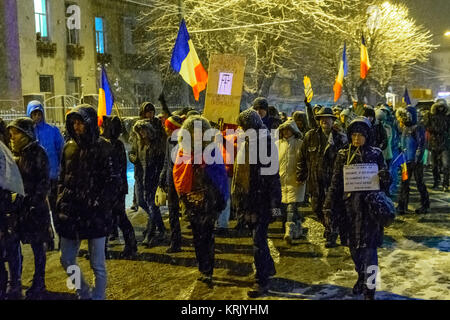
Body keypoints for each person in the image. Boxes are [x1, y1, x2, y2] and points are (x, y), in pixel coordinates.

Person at [324, 117, 391, 300]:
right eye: (353, 135)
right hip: (349, 211)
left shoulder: (376, 154)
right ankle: (361, 276)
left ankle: (370, 289)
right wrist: (329, 205)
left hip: (370, 211)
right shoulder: (343, 155)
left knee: (370, 252)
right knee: (354, 250)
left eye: (360, 135)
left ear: (367, 136)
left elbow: (385, 184)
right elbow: (335, 182)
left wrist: (385, 177)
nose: (356, 139)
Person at [56, 105, 118, 300]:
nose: (76, 127)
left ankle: (98, 297)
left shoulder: (105, 147)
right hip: (72, 212)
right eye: (73, 123)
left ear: (89, 123)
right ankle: (83, 292)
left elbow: (113, 183)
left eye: (80, 122)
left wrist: (99, 202)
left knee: (97, 264)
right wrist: (61, 198)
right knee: (66, 259)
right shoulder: (69, 147)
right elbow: (62, 177)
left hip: (95, 214)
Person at [173, 116, 229, 286]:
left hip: (208, 201)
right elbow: (178, 175)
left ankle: (208, 270)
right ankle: (202, 266)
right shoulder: (182, 152)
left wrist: (219, 198)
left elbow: (220, 175)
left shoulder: (212, 150)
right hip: (192, 202)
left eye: (199, 132)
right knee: (197, 236)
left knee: (207, 235)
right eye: (193, 132)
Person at [232, 109, 281, 298]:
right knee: (257, 239)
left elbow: (273, 179)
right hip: (250, 200)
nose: (240, 131)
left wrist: (276, 207)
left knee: (258, 242)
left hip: (262, 201)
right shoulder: (247, 142)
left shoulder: (266, 145)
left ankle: (262, 282)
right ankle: (268, 267)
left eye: (242, 127)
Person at [7, 118, 52, 299]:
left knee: (37, 247)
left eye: (16, 133)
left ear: (26, 135)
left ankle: (39, 281)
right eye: (11, 134)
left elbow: (43, 183)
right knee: (13, 245)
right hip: (18, 209)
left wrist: (32, 202)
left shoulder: (38, 153)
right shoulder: (14, 154)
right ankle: (15, 281)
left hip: (34, 210)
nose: (12, 137)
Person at [297, 107, 348, 248]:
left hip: (333, 180)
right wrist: (301, 173)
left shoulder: (340, 138)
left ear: (333, 120)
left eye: (327, 118)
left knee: (330, 207)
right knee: (316, 207)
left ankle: (331, 233)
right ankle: (328, 226)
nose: (324, 120)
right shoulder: (310, 136)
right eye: (322, 118)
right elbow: (302, 156)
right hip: (315, 180)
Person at [26, 100, 64, 251]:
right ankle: (48, 239)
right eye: (33, 113)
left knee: (56, 209)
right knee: (42, 211)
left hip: (53, 176)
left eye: (39, 113)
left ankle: (62, 236)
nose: (37, 116)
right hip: (36, 180)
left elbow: (60, 150)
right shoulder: (28, 134)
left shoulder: (52, 130)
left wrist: (60, 169)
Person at [101, 115, 138, 259]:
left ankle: (130, 245)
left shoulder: (113, 145)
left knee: (116, 218)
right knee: (114, 218)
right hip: (115, 188)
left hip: (113, 189)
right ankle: (129, 245)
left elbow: (115, 168)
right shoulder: (113, 144)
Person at [132, 119, 166, 247]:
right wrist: (133, 157)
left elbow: (161, 162)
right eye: (140, 130)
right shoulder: (139, 144)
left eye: (144, 129)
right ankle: (161, 227)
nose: (142, 132)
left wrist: (159, 179)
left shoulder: (156, 145)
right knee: (142, 202)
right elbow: (134, 155)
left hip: (153, 180)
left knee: (152, 206)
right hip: (141, 180)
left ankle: (150, 235)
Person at [0, 127, 24, 300]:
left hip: (5, 209)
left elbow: (10, 183)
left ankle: (13, 283)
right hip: (5, 207)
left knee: (10, 247)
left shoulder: (4, 154)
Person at [395, 106, 430, 214]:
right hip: (406, 161)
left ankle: (425, 205)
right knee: (404, 182)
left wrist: (417, 158)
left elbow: (421, 145)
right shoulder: (405, 128)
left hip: (415, 162)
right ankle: (402, 205)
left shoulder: (417, 128)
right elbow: (404, 144)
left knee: (419, 183)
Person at [276, 119, 305, 244]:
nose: (286, 132)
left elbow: (303, 162)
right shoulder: (276, 144)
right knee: (282, 209)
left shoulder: (300, 144)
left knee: (291, 208)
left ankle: (289, 231)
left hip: (295, 181)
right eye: (284, 130)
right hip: (280, 181)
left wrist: (302, 176)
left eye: (289, 130)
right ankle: (296, 226)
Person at [158, 115, 183, 253]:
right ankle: (175, 242)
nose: (165, 128)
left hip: (183, 181)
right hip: (172, 181)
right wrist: (163, 176)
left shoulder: (185, 141)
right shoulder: (168, 140)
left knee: (189, 212)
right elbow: (167, 161)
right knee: (173, 211)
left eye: (167, 126)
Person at [422, 100, 450, 191]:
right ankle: (436, 182)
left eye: (442, 107)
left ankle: (445, 183)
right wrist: (435, 130)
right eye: (439, 107)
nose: (441, 108)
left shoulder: (447, 117)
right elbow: (426, 126)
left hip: (444, 143)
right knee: (434, 166)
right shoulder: (431, 116)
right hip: (434, 143)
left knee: (446, 165)